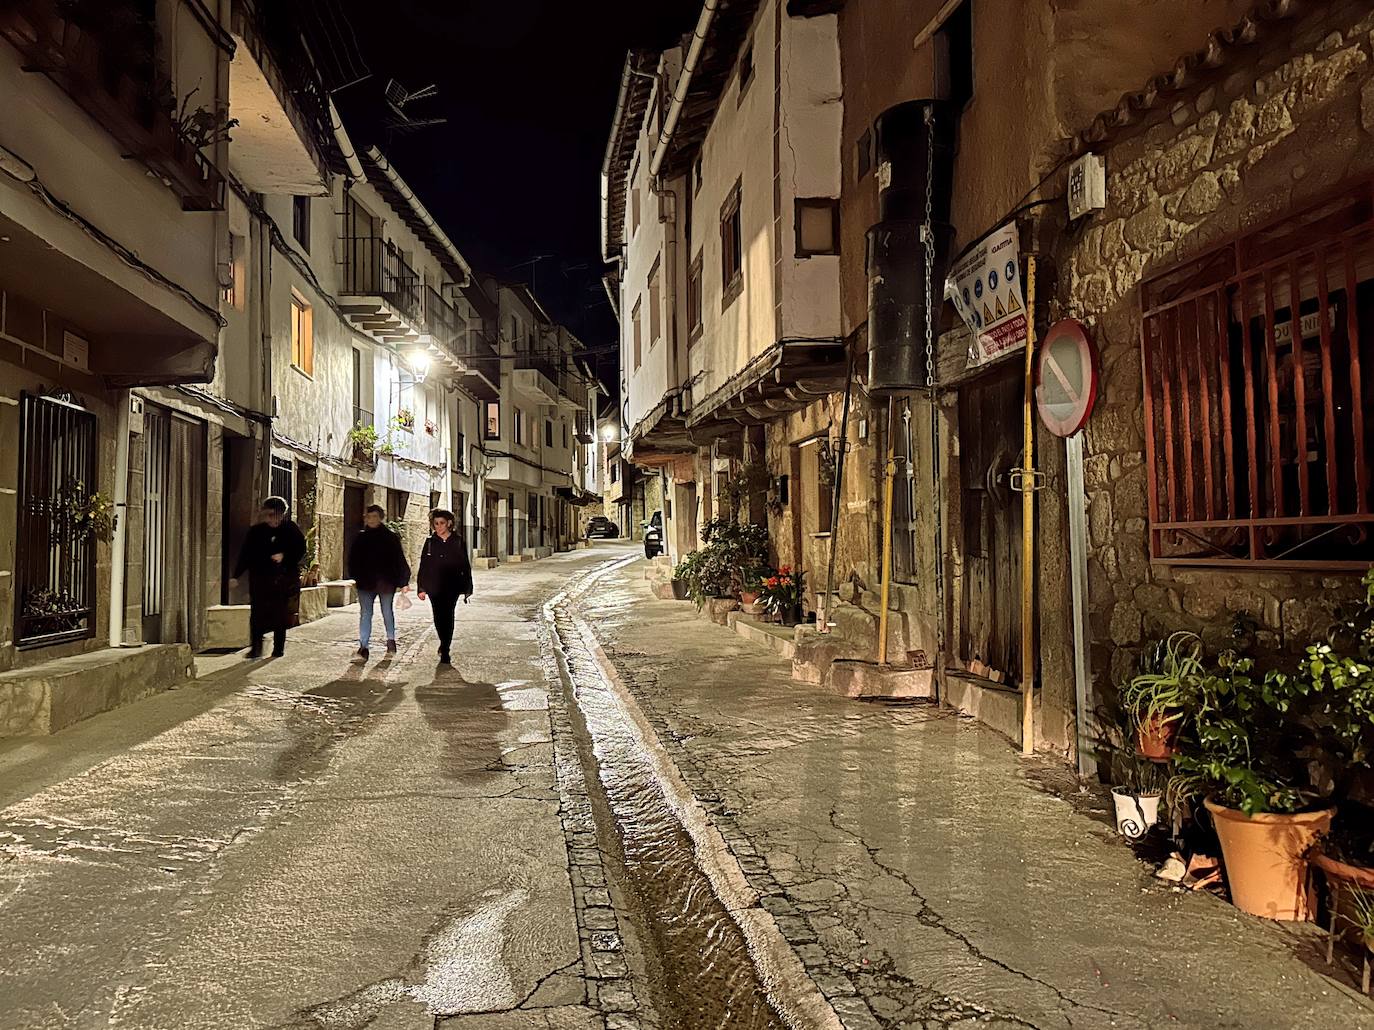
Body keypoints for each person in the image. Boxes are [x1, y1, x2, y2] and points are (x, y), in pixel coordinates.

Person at [230, 496, 306, 659]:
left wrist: (284, 556)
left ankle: (278, 648)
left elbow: (300, 550)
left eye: (275, 514)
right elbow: (246, 554)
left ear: (282, 514)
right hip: (259, 579)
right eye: (269, 515)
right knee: (257, 614)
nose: (272, 518)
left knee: (280, 614)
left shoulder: (291, 530)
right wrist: (236, 575)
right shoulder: (256, 532)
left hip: (282, 579)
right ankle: (256, 647)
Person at [347, 504, 411, 661]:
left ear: (381, 518)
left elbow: (399, 559)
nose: (372, 520)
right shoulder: (360, 538)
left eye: (375, 517)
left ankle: (391, 640)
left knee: (387, 612)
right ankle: (364, 646)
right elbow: (352, 560)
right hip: (365, 583)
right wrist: (356, 576)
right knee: (365, 614)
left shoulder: (390, 537)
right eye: (369, 517)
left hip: (386, 582)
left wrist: (403, 580)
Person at [416, 507, 473, 666]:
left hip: (452, 585)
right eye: (436, 523)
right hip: (434, 586)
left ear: (449, 523)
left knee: (448, 615)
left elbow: (465, 565)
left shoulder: (458, 541)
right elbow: (424, 565)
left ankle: (446, 648)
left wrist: (468, 587)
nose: (439, 527)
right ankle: (443, 641)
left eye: (441, 523)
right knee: (438, 616)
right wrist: (421, 587)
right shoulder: (430, 542)